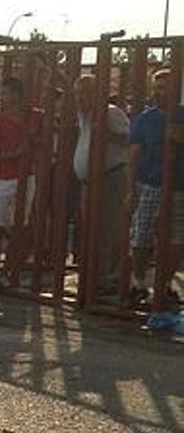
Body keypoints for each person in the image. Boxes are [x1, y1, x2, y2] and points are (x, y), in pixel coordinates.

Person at [127, 69, 184, 325]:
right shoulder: (145, 119)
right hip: (150, 183)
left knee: (176, 238)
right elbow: (134, 155)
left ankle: (163, 284)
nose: (160, 92)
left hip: (180, 186)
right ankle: (139, 283)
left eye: (166, 87)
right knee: (141, 234)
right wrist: (131, 189)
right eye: (157, 87)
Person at [0, 77, 44, 295]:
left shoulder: (35, 116)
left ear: (16, 94)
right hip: (2, 178)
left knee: (21, 228)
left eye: (5, 93)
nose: (2, 97)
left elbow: (43, 139)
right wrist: (9, 155)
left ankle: (8, 273)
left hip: (26, 177)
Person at [65, 75, 129, 295]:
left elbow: (129, 141)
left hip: (110, 177)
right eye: (77, 94)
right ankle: (97, 278)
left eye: (85, 93)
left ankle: (113, 280)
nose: (80, 99)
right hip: (89, 182)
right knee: (94, 230)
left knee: (112, 230)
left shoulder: (111, 113)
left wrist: (106, 134)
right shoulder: (85, 116)